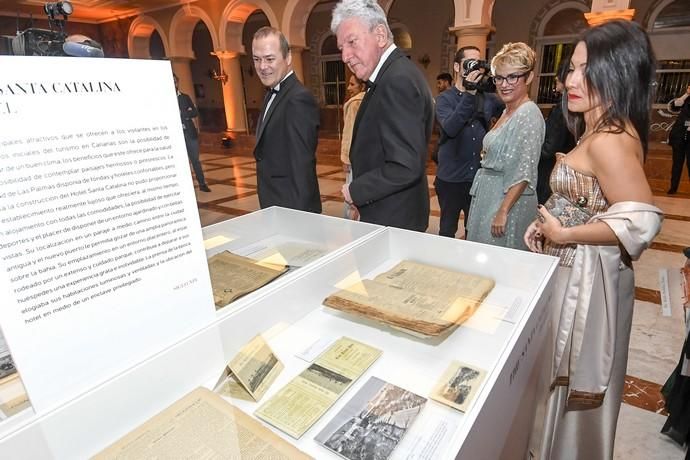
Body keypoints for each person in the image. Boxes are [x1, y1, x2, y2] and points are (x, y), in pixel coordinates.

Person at [524, 20, 664, 460]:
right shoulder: (599, 128)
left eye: (586, 70)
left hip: (587, 285)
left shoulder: (611, 139)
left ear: (619, 72)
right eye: (571, 68)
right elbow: (591, 199)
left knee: (572, 378)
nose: (570, 80)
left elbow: (641, 221)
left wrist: (565, 233)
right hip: (578, 272)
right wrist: (549, 219)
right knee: (555, 380)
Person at [332, 0, 434, 231]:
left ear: (379, 35)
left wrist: (355, 191)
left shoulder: (397, 80)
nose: (345, 56)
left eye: (352, 42)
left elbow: (405, 166)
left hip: (395, 220)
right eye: (341, 48)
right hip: (389, 212)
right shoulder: (389, 75)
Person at [465, 42, 544, 249]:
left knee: (501, 262)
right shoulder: (507, 110)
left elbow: (523, 170)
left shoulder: (528, 114)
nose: (504, 84)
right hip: (490, 195)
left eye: (512, 77)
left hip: (507, 201)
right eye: (499, 77)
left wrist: (503, 210)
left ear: (529, 77)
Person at [434, 46, 503, 238]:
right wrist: (469, 94)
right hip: (451, 179)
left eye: (477, 64)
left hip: (478, 178)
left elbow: (511, 108)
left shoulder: (488, 99)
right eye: (468, 64)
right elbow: (451, 128)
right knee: (447, 230)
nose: (474, 69)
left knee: (474, 230)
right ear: (457, 67)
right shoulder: (443, 100)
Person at [252, 26, 321, 213]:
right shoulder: (271, 93)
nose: (262, 67)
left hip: (292, 209)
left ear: (288, 58)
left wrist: (301, 219)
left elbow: (302, 166)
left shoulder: (298, 99)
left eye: (270, 59)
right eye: (257, 59)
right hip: (276, 204)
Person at [537, 62, 576, 204]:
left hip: (550, 170)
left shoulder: (562, 110)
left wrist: (530, 154)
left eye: (558, 76)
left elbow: (549, 148)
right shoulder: (573, 108)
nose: (555, 79)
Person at [174, 74, 210, 192]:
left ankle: (202, 184)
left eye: (175, 81)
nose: (174, 84)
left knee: (195, 159)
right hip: (175, 135)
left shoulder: (184, 97)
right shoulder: (163, 99)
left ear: (177, 83)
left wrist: (183, 113)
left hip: (190, 133)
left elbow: (194, 112)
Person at [341, 75, 366, 219]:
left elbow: (349, 133)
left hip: (354, 158)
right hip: (367, 158)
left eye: (352, 84)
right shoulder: (371, 99)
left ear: (362, 86)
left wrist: (345, 158)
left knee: (352, 194)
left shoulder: (355, 103)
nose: (349, 88)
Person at [667, 85, 690, 195]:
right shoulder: (685, 98)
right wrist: (686, 94)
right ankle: (673, 188)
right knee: (677, 163)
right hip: (679, 135)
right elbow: (674, 106)